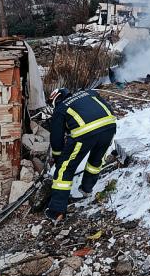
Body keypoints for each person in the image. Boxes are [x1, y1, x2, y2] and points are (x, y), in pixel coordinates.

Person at [44, 87, 117, 222]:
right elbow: (105, 107)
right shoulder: (89, 93)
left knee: (64, 170)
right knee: (95, 161)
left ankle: (57, 210)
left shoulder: (60, 108)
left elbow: (57, 139)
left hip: (85, 133)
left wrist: (58, 158)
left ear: (56, 99)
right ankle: (86, 189)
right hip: (109, 126)